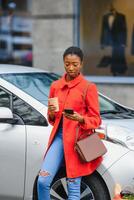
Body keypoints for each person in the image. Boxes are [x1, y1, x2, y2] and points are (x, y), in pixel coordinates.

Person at [37, 46, 102, 200]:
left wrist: (81, 119)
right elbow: (53, 119)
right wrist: (52, 113)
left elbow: (96, 119)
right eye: (67, 64)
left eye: (75, 64)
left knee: (73, 189)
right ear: (64, 63)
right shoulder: (56, 86)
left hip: (77, 141)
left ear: (81, 64)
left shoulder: (88, 87)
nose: (71, 68)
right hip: (59, 138)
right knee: (43, 180)